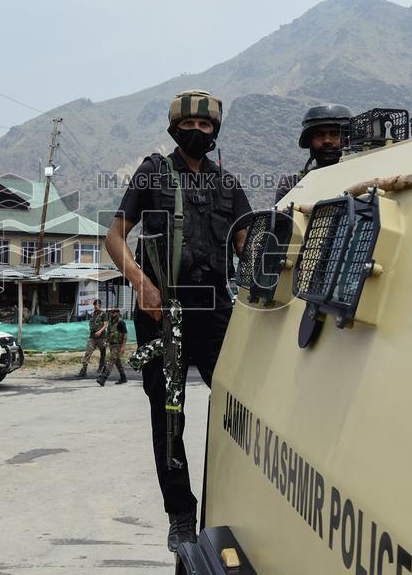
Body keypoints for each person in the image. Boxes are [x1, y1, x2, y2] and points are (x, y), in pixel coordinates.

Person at [105, 89, 252, 552]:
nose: (197, 132)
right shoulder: (152, 173)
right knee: (169, 417)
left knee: (242, 400)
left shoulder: (227, 184)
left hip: (215, 313)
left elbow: (250, 243)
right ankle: (181, 513)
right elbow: (114, 237)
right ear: (175, 129)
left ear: (215, 132)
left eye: (205, 126)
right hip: (162, 311)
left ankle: (243, 497)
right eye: (189, 126)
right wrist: (139, 281)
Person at [275, 103, 352, 203]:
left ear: (347, 139)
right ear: (310, 141)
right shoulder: (293, 185)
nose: (327, 141)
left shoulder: (364, 172)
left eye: (335, 134)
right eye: (319, 135)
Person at [96, 307, 127, 386]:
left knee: (111, 360)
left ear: (117, 313)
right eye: (110, 313)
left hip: (118, 345)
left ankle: (103, 378)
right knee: (117, 361)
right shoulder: (111, 322)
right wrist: (105, 341)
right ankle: (123, 377)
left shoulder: (121, 323)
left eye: (113, 313)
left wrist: (123, 346)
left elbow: (125, 335)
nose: (111, 314)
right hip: (112, 345)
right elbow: (109, 334)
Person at [77, 299, 107, 378]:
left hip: (102, 337)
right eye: (95, 305)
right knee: (88, 353)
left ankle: (104, 369)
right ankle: (83, 370)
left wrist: (100, 331)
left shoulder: (104, 314)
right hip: (92, 337)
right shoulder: (94, 314)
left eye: (98, 305)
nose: (96, 306)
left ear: (100, 305)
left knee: (103, 354)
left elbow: (105, 325)